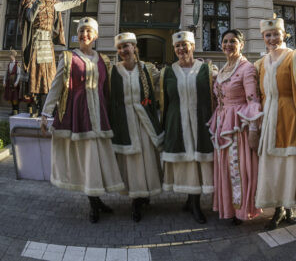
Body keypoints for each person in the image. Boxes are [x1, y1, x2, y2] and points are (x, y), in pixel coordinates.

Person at [40, 17, 124, 223]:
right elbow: (56, 86)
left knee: (98, 160)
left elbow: (108, 92)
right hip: (79, 115)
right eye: (81, 31)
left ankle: (96, 199)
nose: (84, 35)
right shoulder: (68, 57)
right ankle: (94, 204)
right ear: (77, 35)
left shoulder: (104, 60)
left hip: (100, 117)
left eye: (89, 31)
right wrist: (45, 113)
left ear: (95, 35)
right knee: (87, 159)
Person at [254, 16, 296, 230]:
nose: (273, 38)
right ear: (264, 38)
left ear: (284, 34)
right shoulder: (260, 63)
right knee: (272, 166)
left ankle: (290, 207)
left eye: (276, 34)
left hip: (290, 116)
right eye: (268, 35)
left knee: (289, 165)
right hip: (268, 118)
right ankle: (277, 209)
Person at [160, 31, 216, 224]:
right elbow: (163, 101)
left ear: (193, 46)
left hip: (201, 121)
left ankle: (195, 203)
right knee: (186, 162)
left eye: (185, 45)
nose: (181, 49)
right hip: (177, 121)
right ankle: (190, 200)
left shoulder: (206, 70)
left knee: (198, 161)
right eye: (177, 46)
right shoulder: (167, 72)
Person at [208, 29, 262, 225]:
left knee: (237, 168)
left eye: (233, 41)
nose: (228, 45)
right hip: (222, 123)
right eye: (225, 41)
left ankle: (241, 210)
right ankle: (228, 206)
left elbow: (253, 100)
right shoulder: (223, 69)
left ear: (241, 44)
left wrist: (254, 131)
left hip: (238, 127)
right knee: (225, 167)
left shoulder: (246, 68)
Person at [109, 32, 164, 222]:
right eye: (120, 48)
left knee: (146, 159)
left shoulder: (147, 69)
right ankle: (136, 199)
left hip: (144, 123)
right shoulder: (113, 71)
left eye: (127, 46)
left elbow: (165, 79)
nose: (123, 50)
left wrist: (210, 70)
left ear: (134, 47)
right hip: (125, 122)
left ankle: (145, 193)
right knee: (131, 161)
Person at [20, 0, 88, 117]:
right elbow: (30, 18)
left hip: (47, 43)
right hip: (36, 42)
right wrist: (38, 1)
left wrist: (79, 1)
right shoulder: (29, 1)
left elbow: (64, 6)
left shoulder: (52, 2)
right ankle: (34, 106)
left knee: (49, 75)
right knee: (36, 74)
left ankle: (47, 106)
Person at [3, 49, 23, 115]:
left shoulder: (17, 64)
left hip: (14, 83)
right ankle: (13, 110)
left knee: (15, 97)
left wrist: (16, 82)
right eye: (9, 56)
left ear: (13, 56)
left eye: (10, 56)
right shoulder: (9, 64)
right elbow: (6, 74)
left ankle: (16, 110)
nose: (9, 57)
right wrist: (4, 82)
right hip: (9, 83)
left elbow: (19, 74)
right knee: (10, 97)